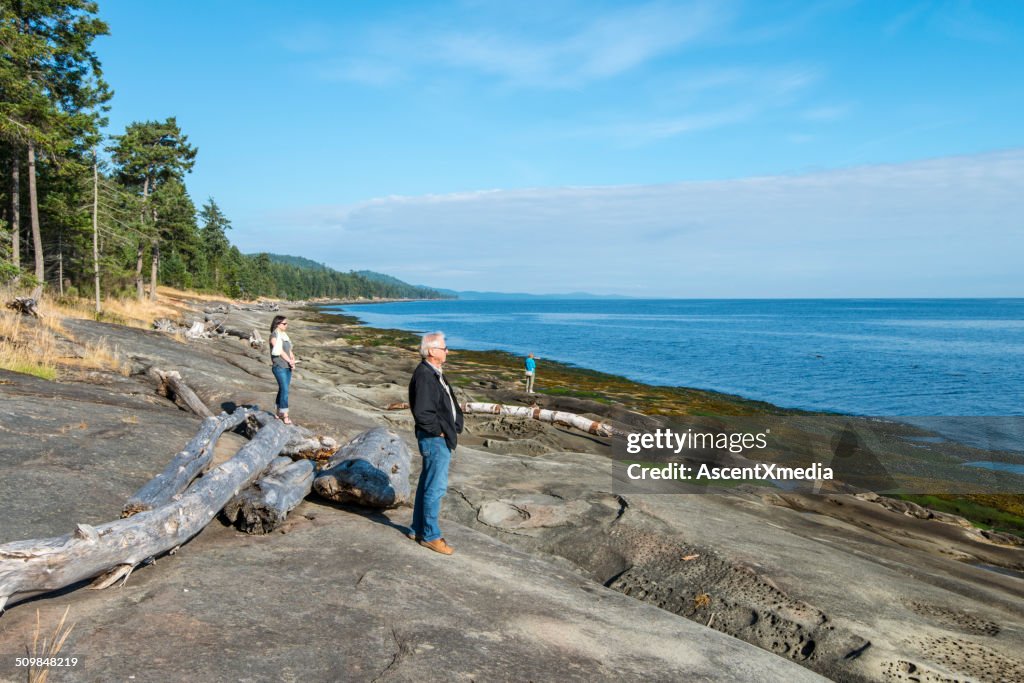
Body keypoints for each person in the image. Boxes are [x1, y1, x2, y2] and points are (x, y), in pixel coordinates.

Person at [408, 331, 464, 555]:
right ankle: (431, 535)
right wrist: (439, 432)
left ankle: (417, 528)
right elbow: (422, 412)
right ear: (432, 351)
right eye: (444, 348)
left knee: (426, 485)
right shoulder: (424, 375)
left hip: (437, 438)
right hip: (434, 440)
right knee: (435, 488)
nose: (447, 351)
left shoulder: (433, 372)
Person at [269, 315, 296, 424]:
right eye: (284, 323)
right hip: (279, 367)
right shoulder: (273, 336)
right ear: (277, 324)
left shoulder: (284, 335)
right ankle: (285, 415)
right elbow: (279, 351)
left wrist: (292, 360)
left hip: (287, 366)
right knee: (285, 390)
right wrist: (289, 360)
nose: (286, 325)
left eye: (286, 323)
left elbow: (288, 349)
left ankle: (277, 412)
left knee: (282, 389)